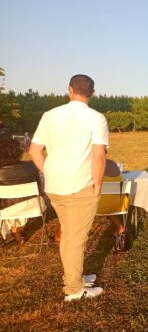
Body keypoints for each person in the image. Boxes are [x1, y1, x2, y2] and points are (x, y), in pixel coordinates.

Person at [29, 74, 108, 301]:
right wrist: (98, 186)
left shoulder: (49, 115)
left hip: (54, 186)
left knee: (69, 235)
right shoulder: (96, 118)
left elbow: (34, 151)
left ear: (70, 90)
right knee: (75, 239)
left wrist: (49, 171)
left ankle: (75, 276)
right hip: (80, 186)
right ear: (92, 93)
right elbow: (99, 156)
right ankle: (74, 289)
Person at [54, 159, 129, 252]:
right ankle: (120, 228)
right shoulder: (113, 164)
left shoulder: (87, 165)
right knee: (105, 202)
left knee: (68, 205)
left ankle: (60, 236)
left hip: (93, 206)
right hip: (118, 205)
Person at [0, 129, 42, 246]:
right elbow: (39, 189)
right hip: (32, 207)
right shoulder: (31, 166)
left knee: (7, 203)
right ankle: (16, 228)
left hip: (5, 210)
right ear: (18, 152)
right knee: (14, 202)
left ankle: (12, 230)